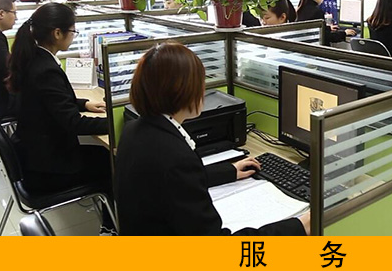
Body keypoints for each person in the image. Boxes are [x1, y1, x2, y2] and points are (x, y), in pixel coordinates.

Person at [115, 42, 310, 236]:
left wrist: (229, 171)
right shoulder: (175, 157)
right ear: (183, 90)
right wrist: (299, 227)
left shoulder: (134, 130)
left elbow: (175, 183)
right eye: (200, 82)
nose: (203, 90)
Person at [6, 3, 115, 235]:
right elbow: (73, 123)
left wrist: (83, 104)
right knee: (113, 162)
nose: (74, 36)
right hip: (47, 169)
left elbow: (50, 100)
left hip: (34, 156)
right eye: (73, 31)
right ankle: (111, 226)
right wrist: (115, 124)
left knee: (103, 155)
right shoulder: (45, 69)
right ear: (57, 33)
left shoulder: (34, 58)